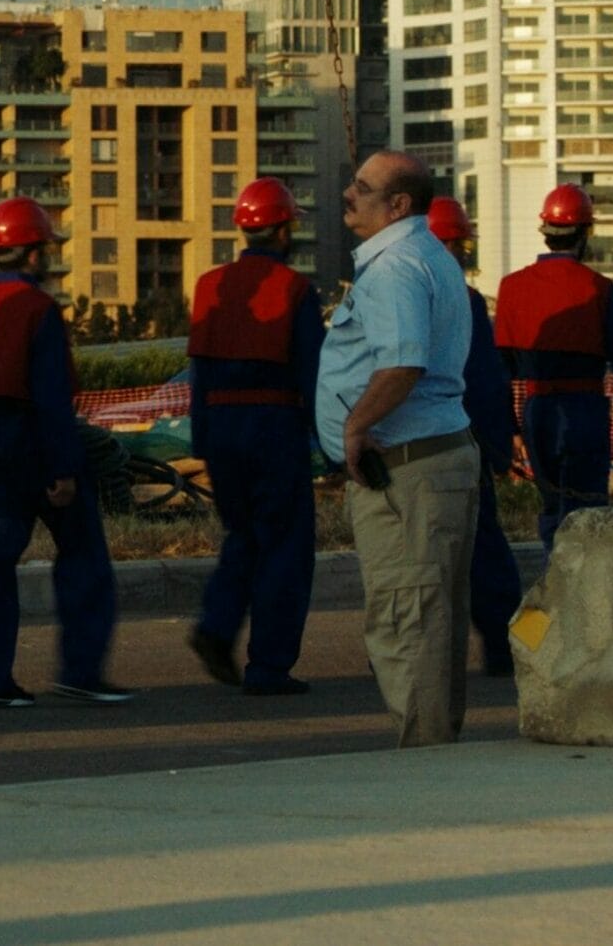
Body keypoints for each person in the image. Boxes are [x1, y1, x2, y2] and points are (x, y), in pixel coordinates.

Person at [315, 150, 481, 748]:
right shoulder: (430, 256)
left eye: (362, 187)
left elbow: (403, 362)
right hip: (434, 459)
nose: (347, 195)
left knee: (407, 622)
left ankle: (425, 758)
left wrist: (354, 428)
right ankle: (433, 748)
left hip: (406, 467)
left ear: (398, 205)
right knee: (432, 622)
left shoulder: (394, 268)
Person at [0, 197, 128, 709]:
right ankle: (81, 671)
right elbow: (51, 396)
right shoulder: (37, 310)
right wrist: (64, 468)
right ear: (33, 253)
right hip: (32, 439)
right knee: (84, 551)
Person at [183, 177, 323, 697]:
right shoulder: (296, 291)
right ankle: (269, 665)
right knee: (285, 546)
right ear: (283, 230)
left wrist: (201, 445)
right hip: (274, 429)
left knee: (243, 536)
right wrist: (329, 443)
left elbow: (199, 372)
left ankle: (217, 626)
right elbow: (313, 376)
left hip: (220, 430)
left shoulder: (209, 286)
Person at [492, 184, 613, 551]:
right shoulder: (597, 288)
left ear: (546, 232)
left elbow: (499, 371)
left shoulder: (512, 287)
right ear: (585, 233)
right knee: (586, 511)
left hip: (536, 413)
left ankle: (554, 586)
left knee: (552, 507)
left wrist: (509, 429)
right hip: (583, 412)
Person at [427, 197, 521, 676]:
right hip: (458, 441)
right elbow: (484, 381)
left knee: (414, 560)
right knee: (485, 549)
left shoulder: (387, 291)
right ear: (456, 245)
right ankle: (511, 648)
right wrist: (499, 445)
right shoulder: (463, 300)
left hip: (404, 449)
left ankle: (411, 659)